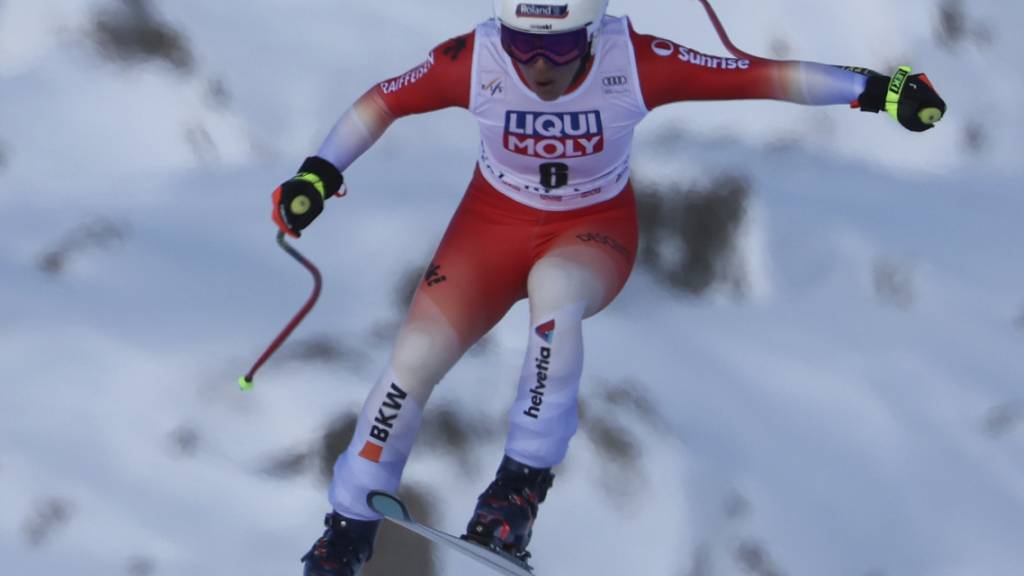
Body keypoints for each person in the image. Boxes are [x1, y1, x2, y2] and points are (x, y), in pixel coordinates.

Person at [273, 1, 946, 574]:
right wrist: (317, 175)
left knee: (557, 296)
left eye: (560, 47)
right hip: (488, 229)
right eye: (522, 47)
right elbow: (384, 100)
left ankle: (516, 494)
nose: (538, 67)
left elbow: (758, 77)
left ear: (591, 35)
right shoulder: (475, 60)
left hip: (589, 230)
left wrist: (880, 90)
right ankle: (346, 528)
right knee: (413, 359)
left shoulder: (635, 61)